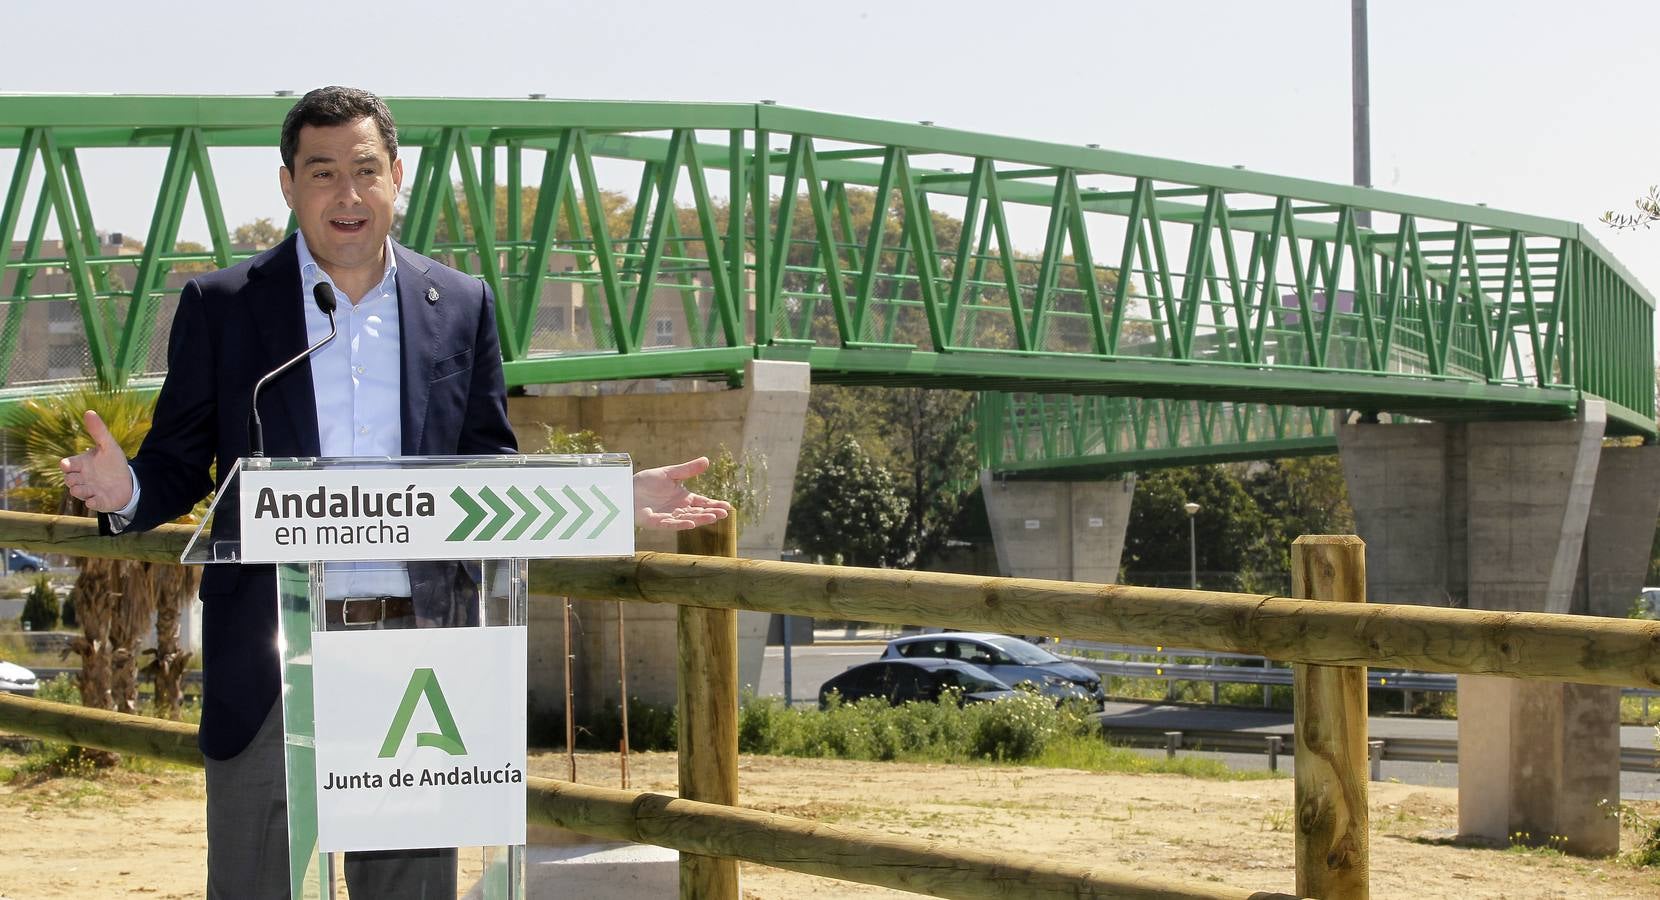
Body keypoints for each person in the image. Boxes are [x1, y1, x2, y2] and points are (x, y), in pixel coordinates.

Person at [58, 86, 731, 899]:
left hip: (417, 656)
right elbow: (175, 462)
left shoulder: (462, 306)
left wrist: (609, 500)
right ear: (287, 185)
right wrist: (123, 486)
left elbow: (486, 474)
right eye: (323, 172)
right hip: (272, 653)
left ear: (397, 176)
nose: (347, 194)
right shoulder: (223, 306)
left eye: (366, 170)